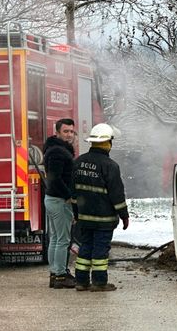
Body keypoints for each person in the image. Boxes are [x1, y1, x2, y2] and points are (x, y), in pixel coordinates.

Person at [72, 123, 129, 291]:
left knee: (85, 247)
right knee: (100, 250)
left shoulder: (79, 162)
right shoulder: (110, 166)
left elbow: (73, 193)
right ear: (108, 143)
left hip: (84, 217)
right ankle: (99, 282)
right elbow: (117, 195)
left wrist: (77, 214)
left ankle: (81, 282)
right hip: (104, 219)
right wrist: (124, 215)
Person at [42, 118, 77, 289]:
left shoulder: (53, 149)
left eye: (72, 131)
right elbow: (55, 178)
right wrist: (68, 196)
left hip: (52, 199)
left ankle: (55, 273)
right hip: (59, 200)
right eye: (66, 131)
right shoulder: (57, 152)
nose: (69, 135)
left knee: (55, 239)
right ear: (57, 132)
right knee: (63, 240)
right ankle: (61, 275)